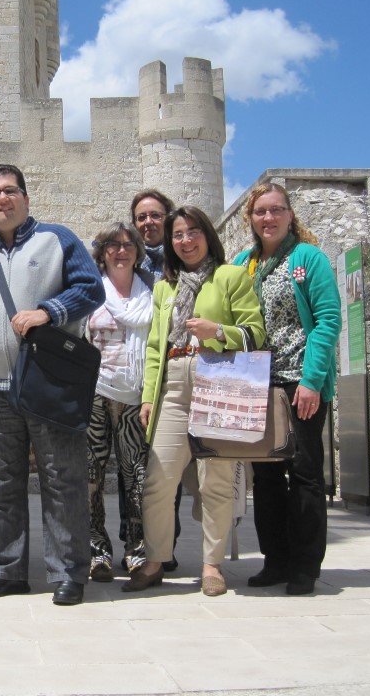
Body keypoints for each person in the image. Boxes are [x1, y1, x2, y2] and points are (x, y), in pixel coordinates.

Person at [0, 164, 105, 606]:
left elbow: (91, 288)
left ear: (25, 198)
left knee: (62, 479)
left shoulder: (57, 240)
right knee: (1, 484)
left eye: (10, 191)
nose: (3, 199)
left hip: (48, 384)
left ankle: (68, 573)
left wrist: (49, 311)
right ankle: (7, 570)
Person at [129, 205, 264, 596]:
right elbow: (154, 347)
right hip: (173, 383)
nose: (186, 241)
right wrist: (149, 397)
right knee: (158, 480)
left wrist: (217, 331)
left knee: (215, 481)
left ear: (207, 234)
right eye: (178, 235)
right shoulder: (164, 288)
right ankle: (155, 560)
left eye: (193, 232)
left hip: (217, 379)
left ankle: (211, 565)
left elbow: (255, 333)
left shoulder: (231, 276)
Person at [232, 183, 341, 595]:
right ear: (251, 218)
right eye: (261, 211)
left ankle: (305, 566)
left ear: (290, 215)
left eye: (277, 209)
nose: (269, 218)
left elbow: (328, 320)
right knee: (266, 477)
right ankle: (275, 561)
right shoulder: (243, 264)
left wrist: (312, 380)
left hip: (300, 382)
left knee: (305, 473)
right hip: (258, 383)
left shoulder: (307, 258)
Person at [85, 223, 154, 583]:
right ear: (103, 252)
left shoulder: (151, 292)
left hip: (135, 396)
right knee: (91, 476)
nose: (121, 251)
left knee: (137, 478)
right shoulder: (91, 290)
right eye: (113, 245)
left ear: (138, 252)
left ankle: (137, 551)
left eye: (128, 245)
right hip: (95, 394)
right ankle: (97, 551)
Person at [131, 188, 189, 573]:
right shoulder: (125, 259)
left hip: (171, 377)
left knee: (168, 468)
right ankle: (136, 545)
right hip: (132, 376)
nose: (148, 222)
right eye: (141, 217)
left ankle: (165, 547)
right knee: (134, 467)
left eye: (155, 215)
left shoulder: (181, 262)